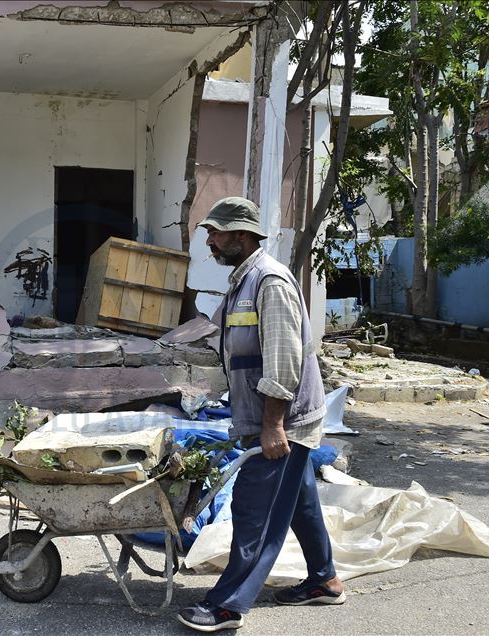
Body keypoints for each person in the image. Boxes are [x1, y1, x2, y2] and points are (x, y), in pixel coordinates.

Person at [177, 197, 345, 632]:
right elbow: (226, 337)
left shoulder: (269, 282)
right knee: (299, 499)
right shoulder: (242, 280)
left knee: (258, 512)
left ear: (242, 234)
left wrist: (272, 425)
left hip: (281, 419)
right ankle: (324, 580)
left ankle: (228, 605)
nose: (210, 240)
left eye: (216, 232)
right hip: (267, 415)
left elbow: (285, 361)